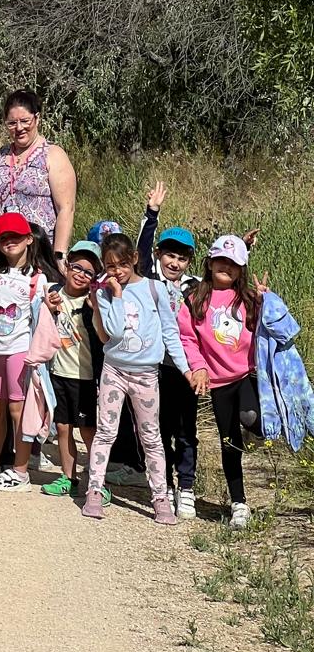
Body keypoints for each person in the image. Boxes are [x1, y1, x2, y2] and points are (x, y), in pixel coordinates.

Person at [83, 232, 194, 524]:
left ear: (134, 259)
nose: (117, 271)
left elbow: (170, 333)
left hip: (146, 374)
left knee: (151, 437)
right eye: (110, 266)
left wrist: (185, 369)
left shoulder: (155, 289)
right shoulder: (106, 293)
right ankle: (95, 490)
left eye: (122, 264)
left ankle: (160, 497)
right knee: (106, 432)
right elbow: (114, 332)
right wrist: (116, 296)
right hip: (114, 371)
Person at [179, 235, 264, 530]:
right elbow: (187, 338)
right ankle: (239, 503)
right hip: (219, 382)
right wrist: (199, 367)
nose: (226, 267)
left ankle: (257, 433)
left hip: (247, 375)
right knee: (229, 443)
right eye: (221, 261)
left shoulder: (250, 298)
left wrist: (268, 302)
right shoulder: (195, 299)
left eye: (233, 263)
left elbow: (273, 327)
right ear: (210, 263)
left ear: (241, 270)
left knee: (252, 418)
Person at [136, 184, 201, 516]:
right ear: (159, 254)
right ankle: (164, 485)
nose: (174, 262)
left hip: (184, 370)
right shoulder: (149, 279)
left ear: (189, 260)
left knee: (186, 430)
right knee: (157, 429)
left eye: (182, 257)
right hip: (153, 368)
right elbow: (141, 249)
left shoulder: (196, 287)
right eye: (170, 255)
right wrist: (152, 214)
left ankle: (186, 486)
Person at [0, 210, 56, 489]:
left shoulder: (38, 278)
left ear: (28, 239)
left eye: (15, 236)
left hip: (21, 351)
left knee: (18, 411)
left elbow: (49, 310)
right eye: (3, 238)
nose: (9, 242)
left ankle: (20, 470)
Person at [0, 89, 77, 264]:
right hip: (1, 253)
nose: (19, 128)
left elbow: (66, 209)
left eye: (25, 121)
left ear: (37, 118)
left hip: (38, 255)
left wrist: (59, 255)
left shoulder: (53, 154)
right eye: (12, 123)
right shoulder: (0, 155)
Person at [42, 241, 106, 501]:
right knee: (63, 427)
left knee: (88, 430)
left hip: (85, 377)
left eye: (89, 272)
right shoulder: (52, 293)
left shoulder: (94, 301)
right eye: (77, 267)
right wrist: (48, 307)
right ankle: (68, 477)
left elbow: (104, 336)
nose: (81, 274)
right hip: (58, 373)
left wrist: (97, 307)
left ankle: (97, 480)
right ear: (67, 266)